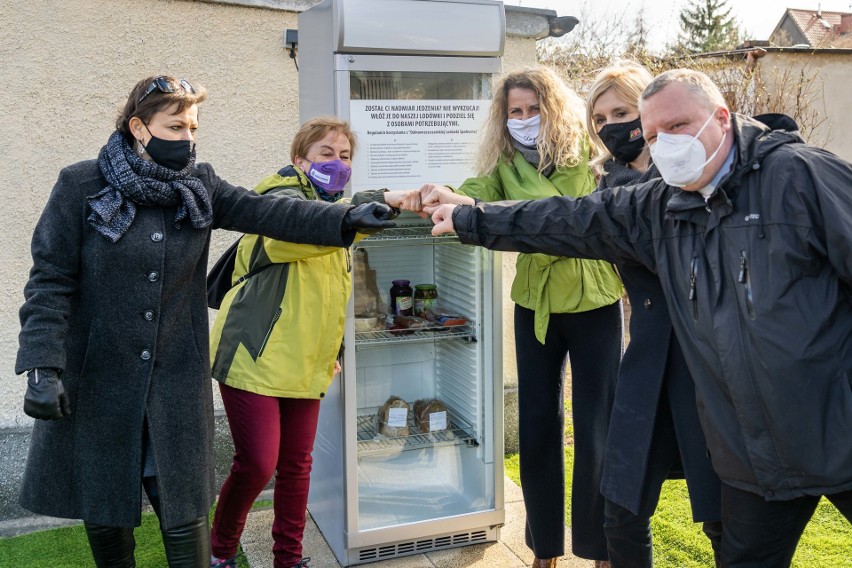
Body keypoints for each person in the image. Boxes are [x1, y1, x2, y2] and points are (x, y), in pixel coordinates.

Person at [429, 68, 852, 568]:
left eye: (676, 126)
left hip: (837, 425)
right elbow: (564, 218)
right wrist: (469, 217)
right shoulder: (657, 205)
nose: (664, 144)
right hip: (752, 452)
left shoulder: (800, 176)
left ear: (721, 117)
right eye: (653, 135)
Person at [16, 75, 394, 568]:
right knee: (108, 522)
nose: (188, 139)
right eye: (176, 126)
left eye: (193, 127)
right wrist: (43, 366)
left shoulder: (201, 185)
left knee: (186, 522)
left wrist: (345, 219)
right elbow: (50, 279)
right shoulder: (81, 185)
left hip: (175, 383)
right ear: (138, 127)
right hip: (100, 383)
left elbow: (268, 213)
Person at [413, 67, 624, 568]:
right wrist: (442, 194)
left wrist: (504, 212)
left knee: (597, 428)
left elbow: (578, 214)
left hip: (594, 298)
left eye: (533, 110)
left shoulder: (588, 153)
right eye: (515, 112)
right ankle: (545, 547)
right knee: (535, 424)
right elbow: (473, 191)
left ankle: (598, 548)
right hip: (535, 301)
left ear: (553, 110)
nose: (525, 120)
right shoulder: (504, 160)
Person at [207, 117, 406, 568]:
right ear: (299, 160)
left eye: (345, 157)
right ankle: (219, 552)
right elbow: (302, 229)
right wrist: (361, 211)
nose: (337, 163)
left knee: (297, 467)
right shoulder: (278, 199)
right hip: (252, 355)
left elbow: (329, 295)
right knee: (258, 464)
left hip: (307, 361)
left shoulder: (336, 213)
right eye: (325, 154)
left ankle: (288, 559)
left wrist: (333, 351)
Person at [585, 61, 722, 567]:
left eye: (621, 111)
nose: (611, 125)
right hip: (646, 360)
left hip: (703, 363)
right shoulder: (608, 190)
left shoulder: (698, 169)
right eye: (599, 119)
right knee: (621, 507)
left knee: (720, 512)